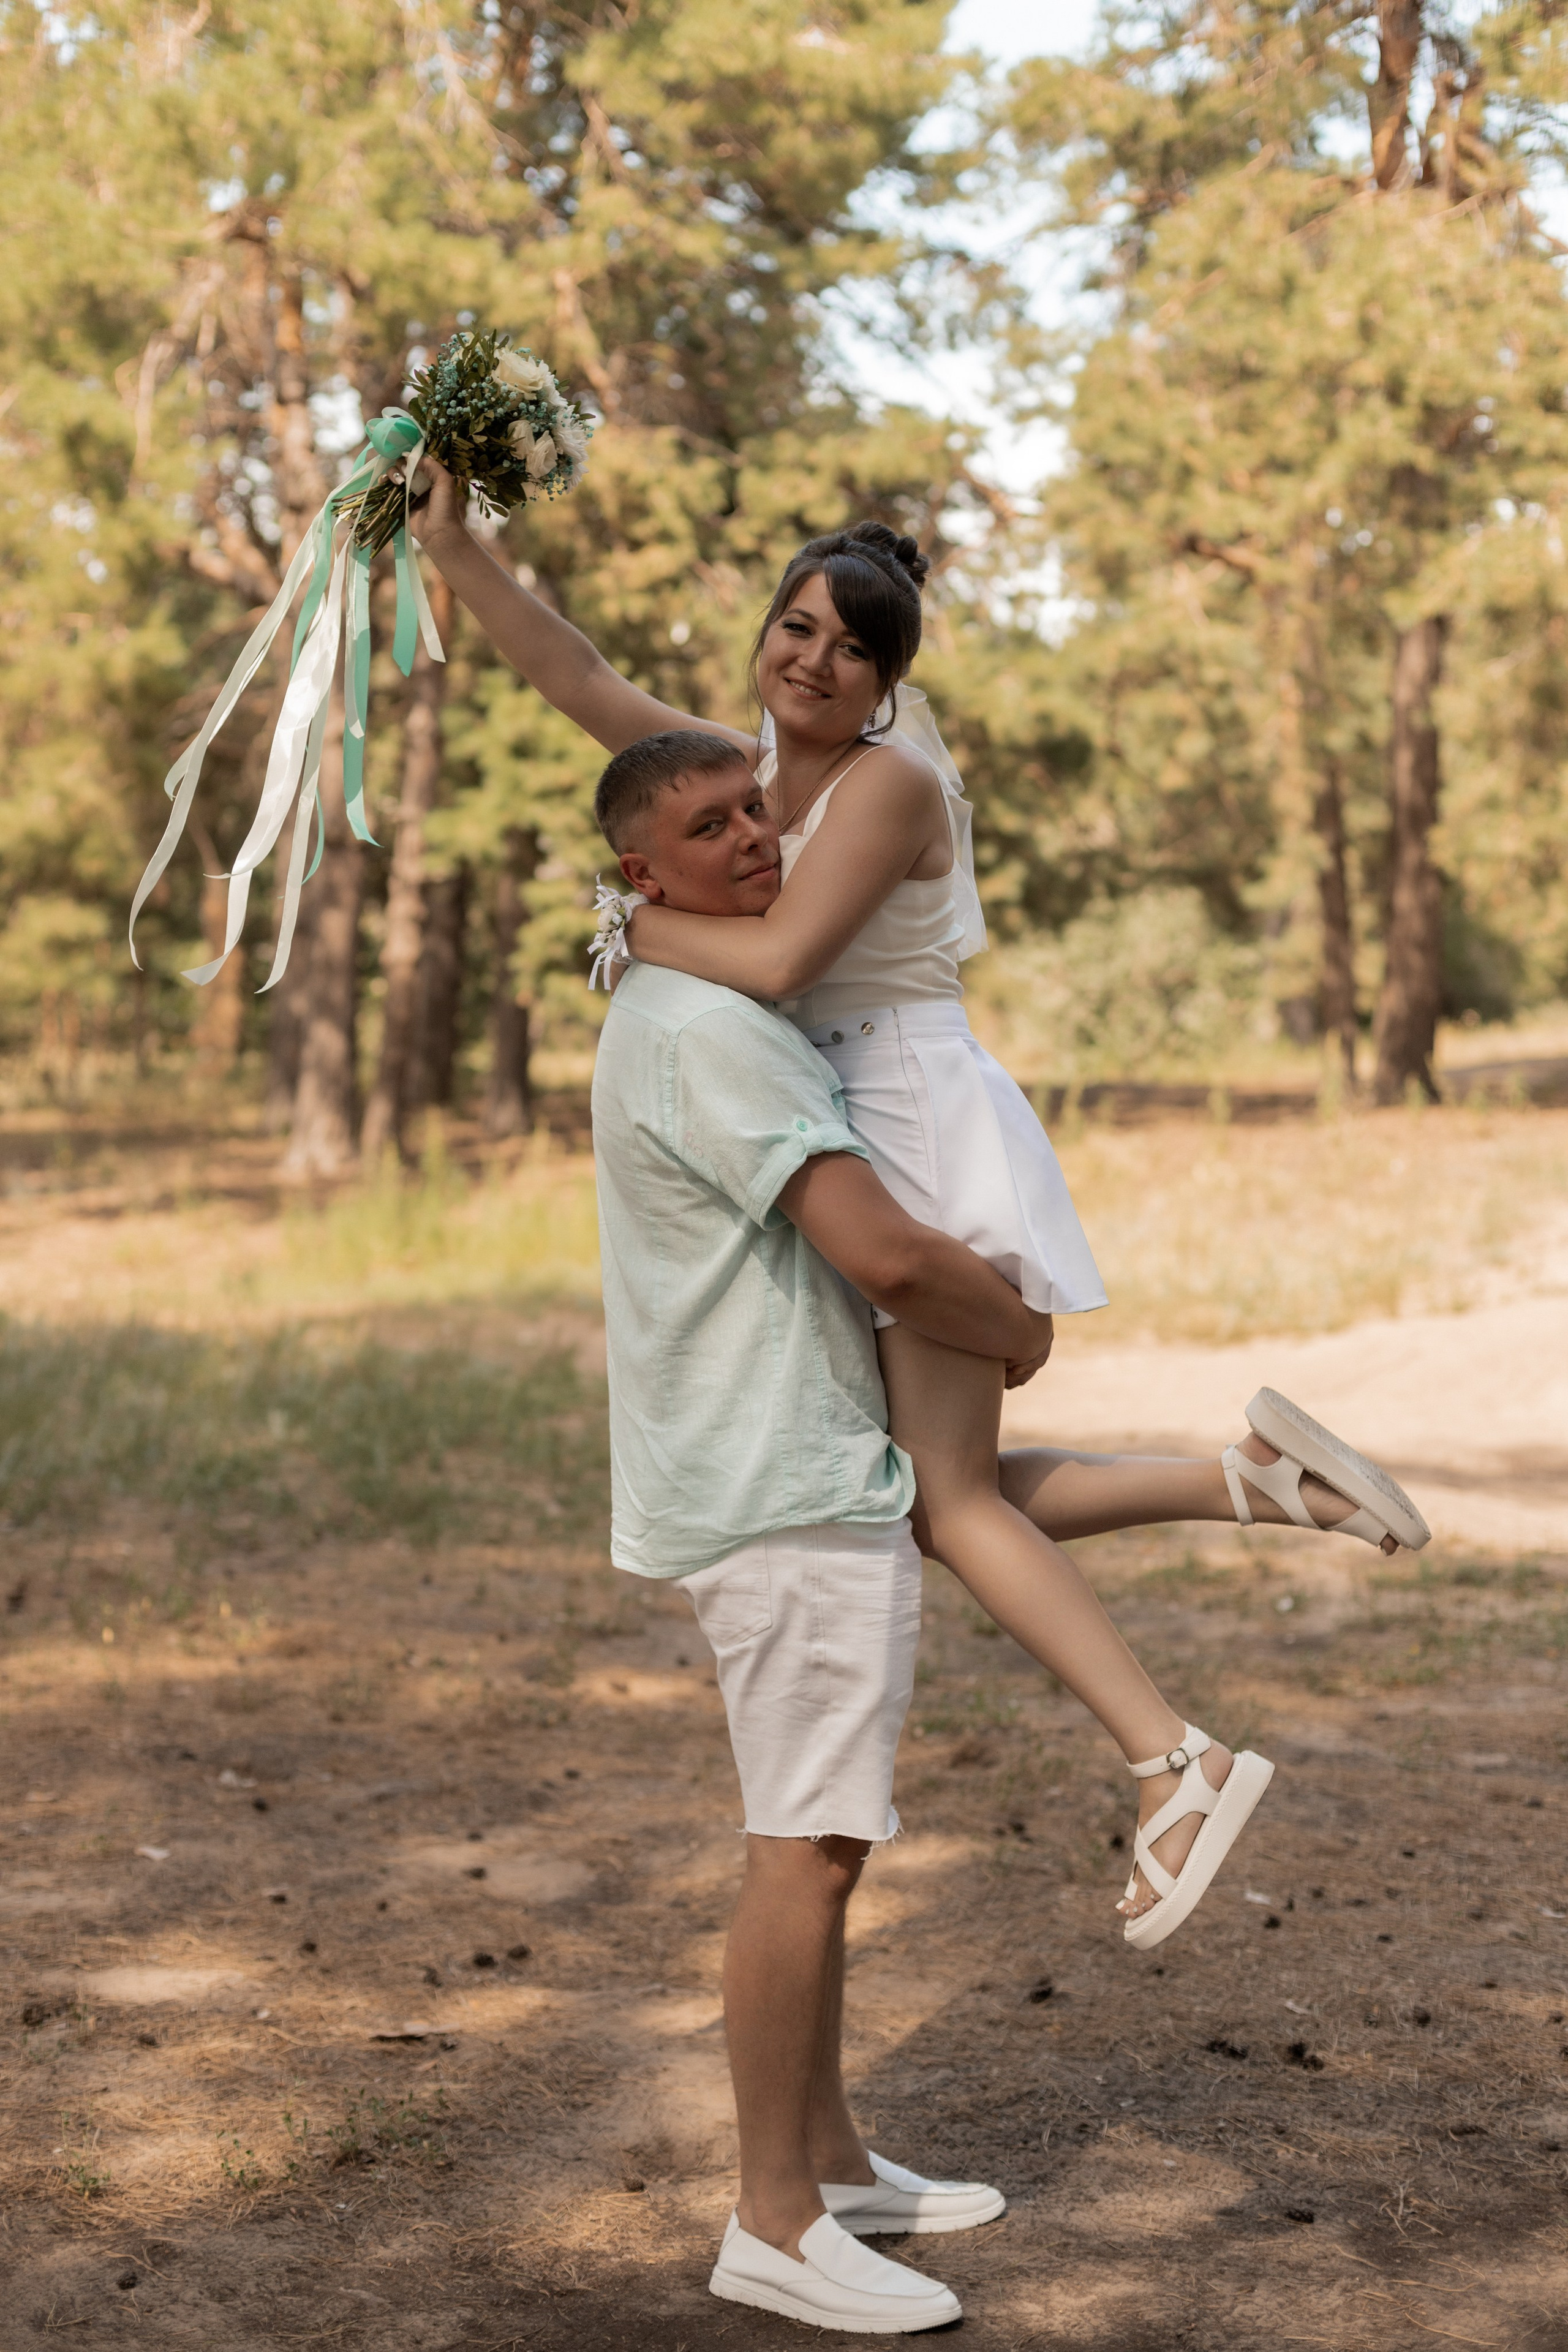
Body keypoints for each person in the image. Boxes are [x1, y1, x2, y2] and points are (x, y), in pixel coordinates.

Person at [412, 470, 1430, 1951]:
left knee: (945, 1503)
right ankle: (1255, 1482)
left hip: (911, 1119)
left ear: (887, 683)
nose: (814, 661)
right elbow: (574, 674)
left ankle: (1174, 1760)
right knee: (927, 1491)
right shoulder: (747, 770)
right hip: (854, 1113)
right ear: (766, 634)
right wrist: (451, 545)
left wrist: (632, 924)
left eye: (852, 648)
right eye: (796, 628)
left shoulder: (885, 785)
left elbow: (779, 962)